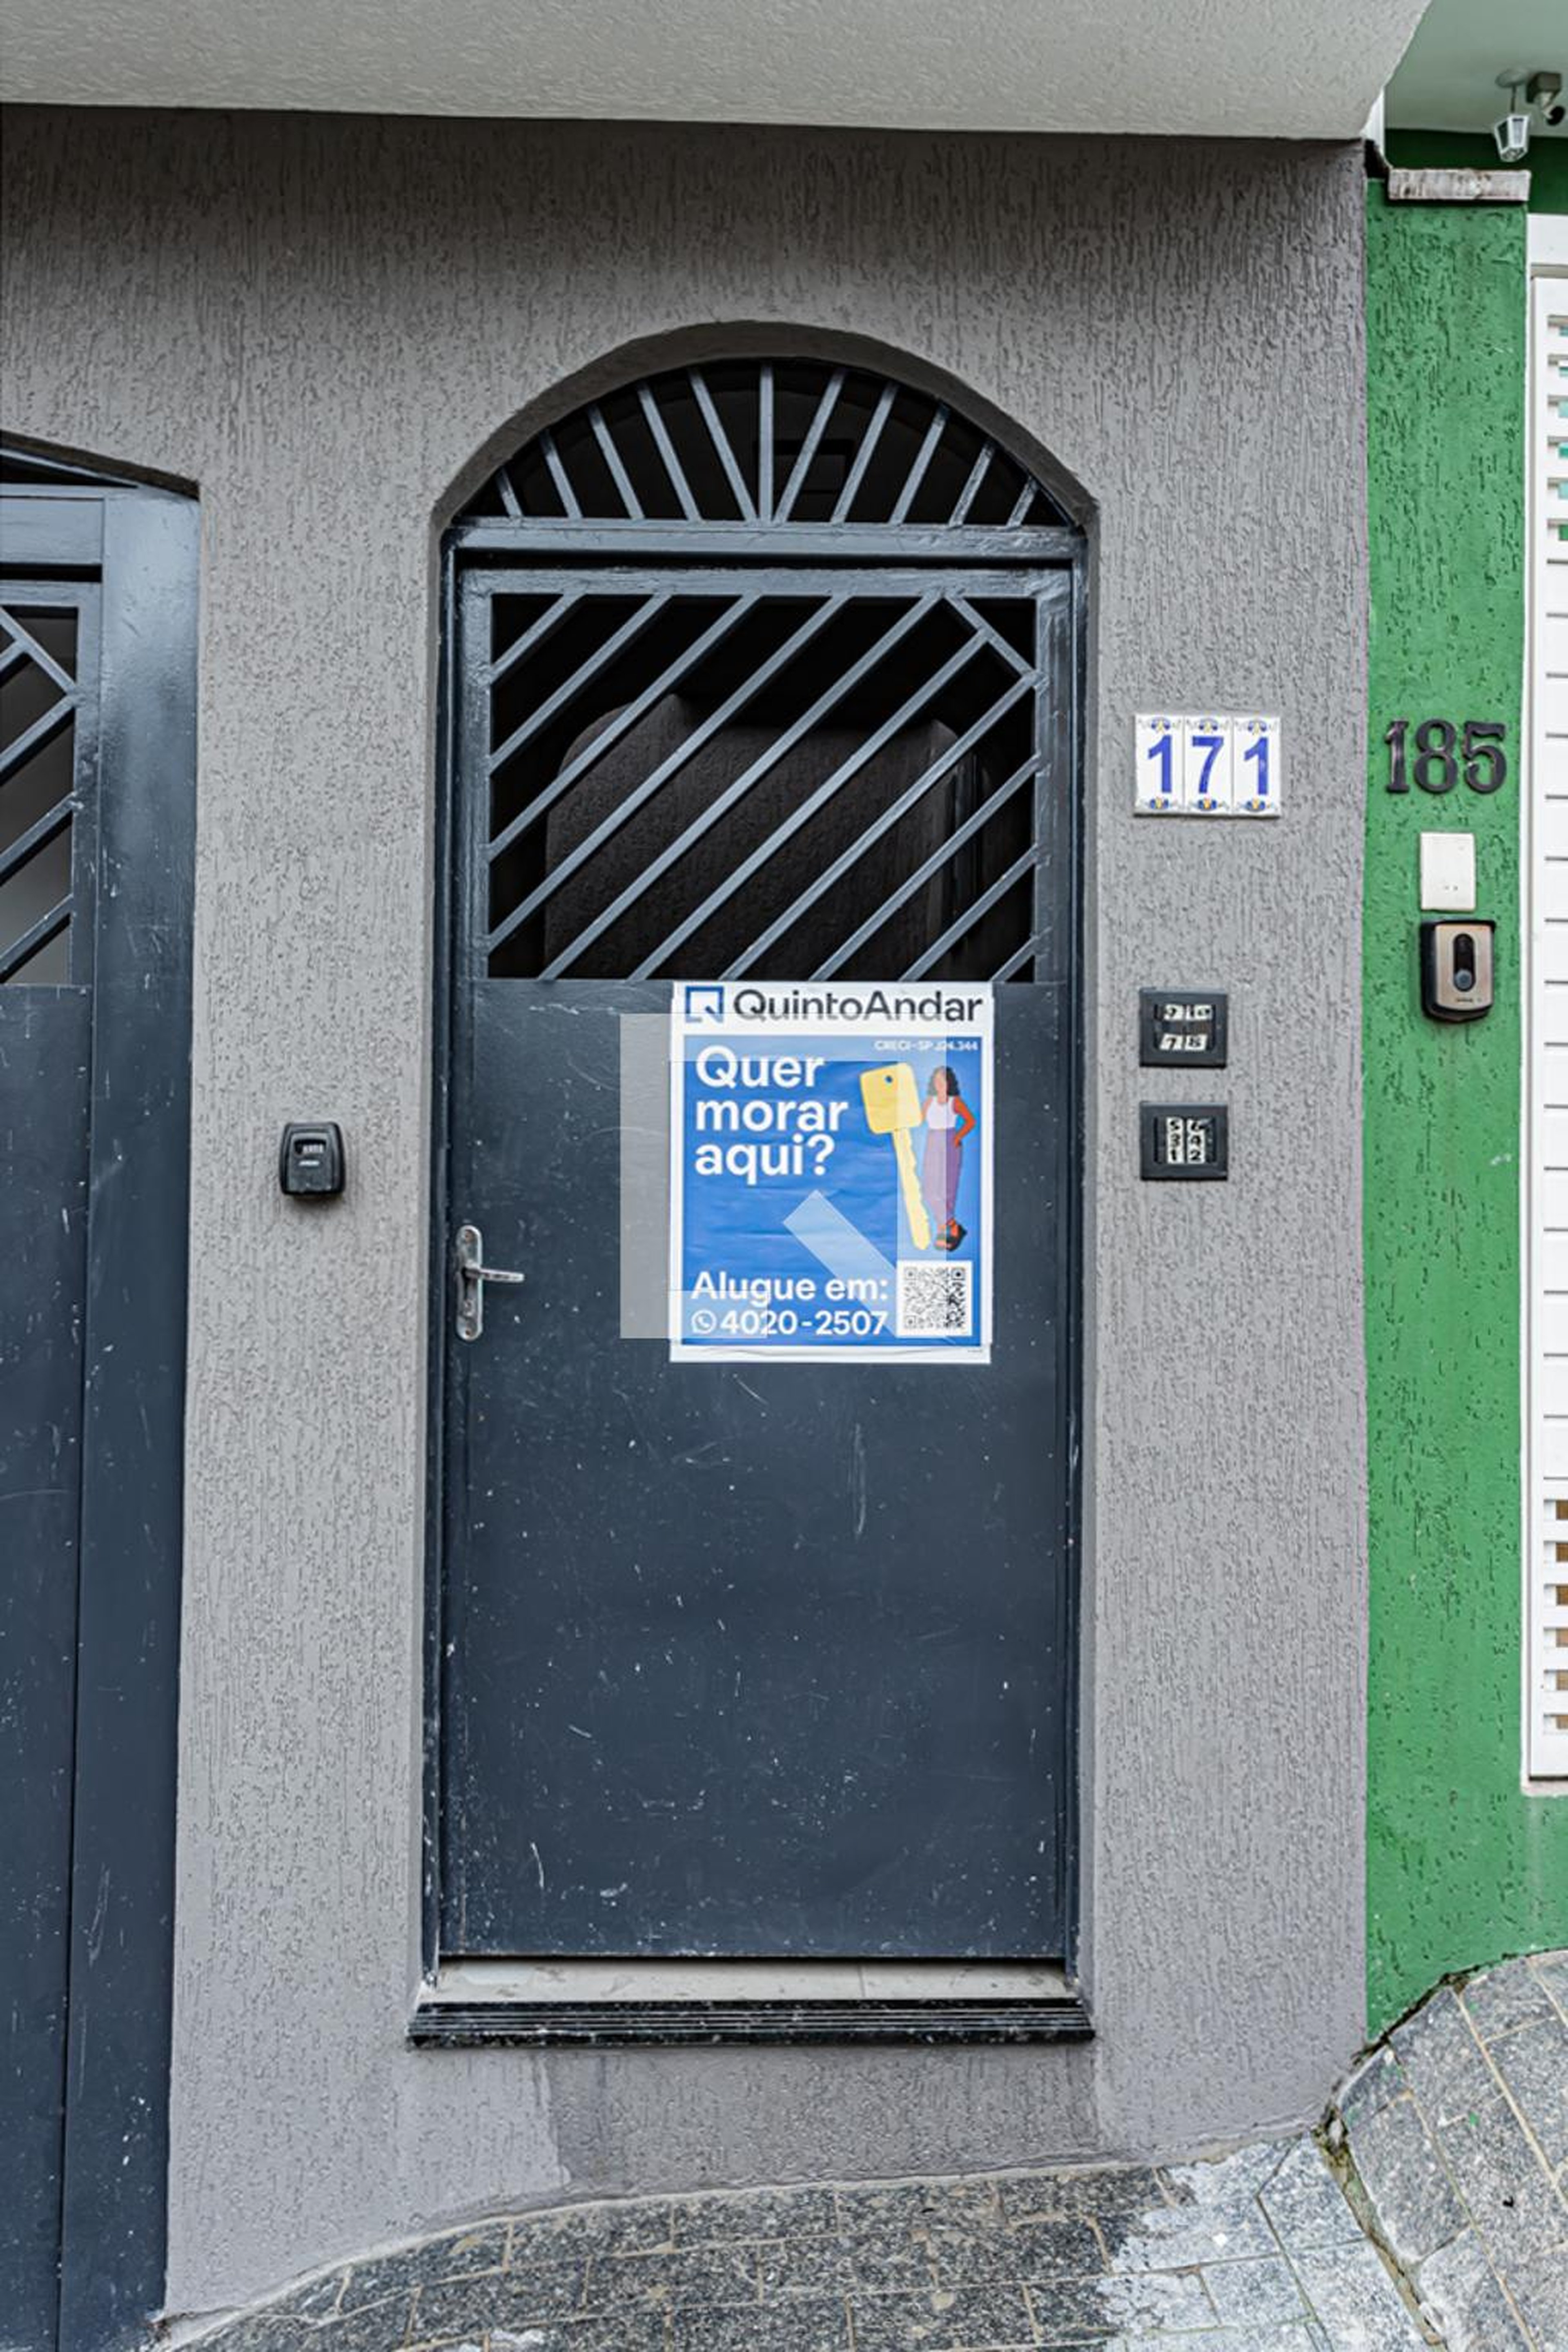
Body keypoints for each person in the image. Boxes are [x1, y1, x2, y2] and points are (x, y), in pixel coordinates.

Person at [921, 1065, 976, 1252]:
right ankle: (953, 1226)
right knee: (930, 1189)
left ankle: (944, 1232)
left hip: (949, 1140)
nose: (939, 1084)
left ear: (949, 1082)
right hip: (932, 1139)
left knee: (948, 1189)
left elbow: (970, 1121)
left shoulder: (955, 1102)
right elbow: (918, 1119)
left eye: (942, 1080)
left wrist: (958, 1137)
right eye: (936, 1080)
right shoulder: (929, 1101)